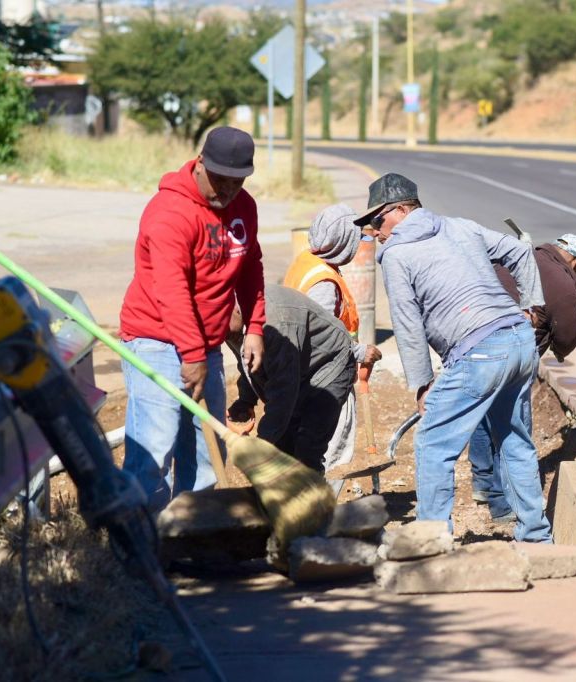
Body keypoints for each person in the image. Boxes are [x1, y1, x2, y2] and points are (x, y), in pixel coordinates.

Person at [357, 172, 553, 543]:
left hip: (479, 352)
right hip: (519, 342)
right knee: (515, 441)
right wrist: (529, 306)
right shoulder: (461, 227)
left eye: (377, 220)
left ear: (401, 210)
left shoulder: (397, 254)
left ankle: (432, 540)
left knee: (433, 442)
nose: (374, 230)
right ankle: (536, 536)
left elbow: (407, 323)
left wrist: (422, 384)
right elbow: (520, 250)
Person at [119, 126, 265, 512]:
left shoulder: (244, 207)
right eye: (219, 179)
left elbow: (251, 267)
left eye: (237, 181)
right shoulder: (170, 213)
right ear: (200, 162)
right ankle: (141, 546)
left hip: (207, 347)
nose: (227, 190)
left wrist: (254, 327)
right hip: (156, 341)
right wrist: (192, 355)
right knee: (153, 454)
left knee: (204, 455)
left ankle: (190, 540)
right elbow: (172, 291)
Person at [470, 234, 576, 520]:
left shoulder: (518, 255)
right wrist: (561, 349)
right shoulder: (562, 283)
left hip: (473, 344)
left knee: (481, 414)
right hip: (512, 354)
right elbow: (567, 334)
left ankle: (483, 483)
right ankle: (503, 503)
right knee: (510, 426)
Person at [282, 203, 382, 477]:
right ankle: (316, 505)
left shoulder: (308, 262)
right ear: (343, 242)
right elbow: (321, 337)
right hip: (321, 377)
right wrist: (360, 352)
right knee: (322, 450)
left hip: (304, 372)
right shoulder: (323, 283)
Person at [226, 284, 357, 474]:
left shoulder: (276, 324)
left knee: (306, 450)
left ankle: (312, 501)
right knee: (282, 447)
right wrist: (246, 399)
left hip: (330, 363)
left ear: (234, 307)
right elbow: (246, 359)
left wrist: (262, 444)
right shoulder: (229, 323)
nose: (220, 334)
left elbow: (283, 392)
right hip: (297, 366)